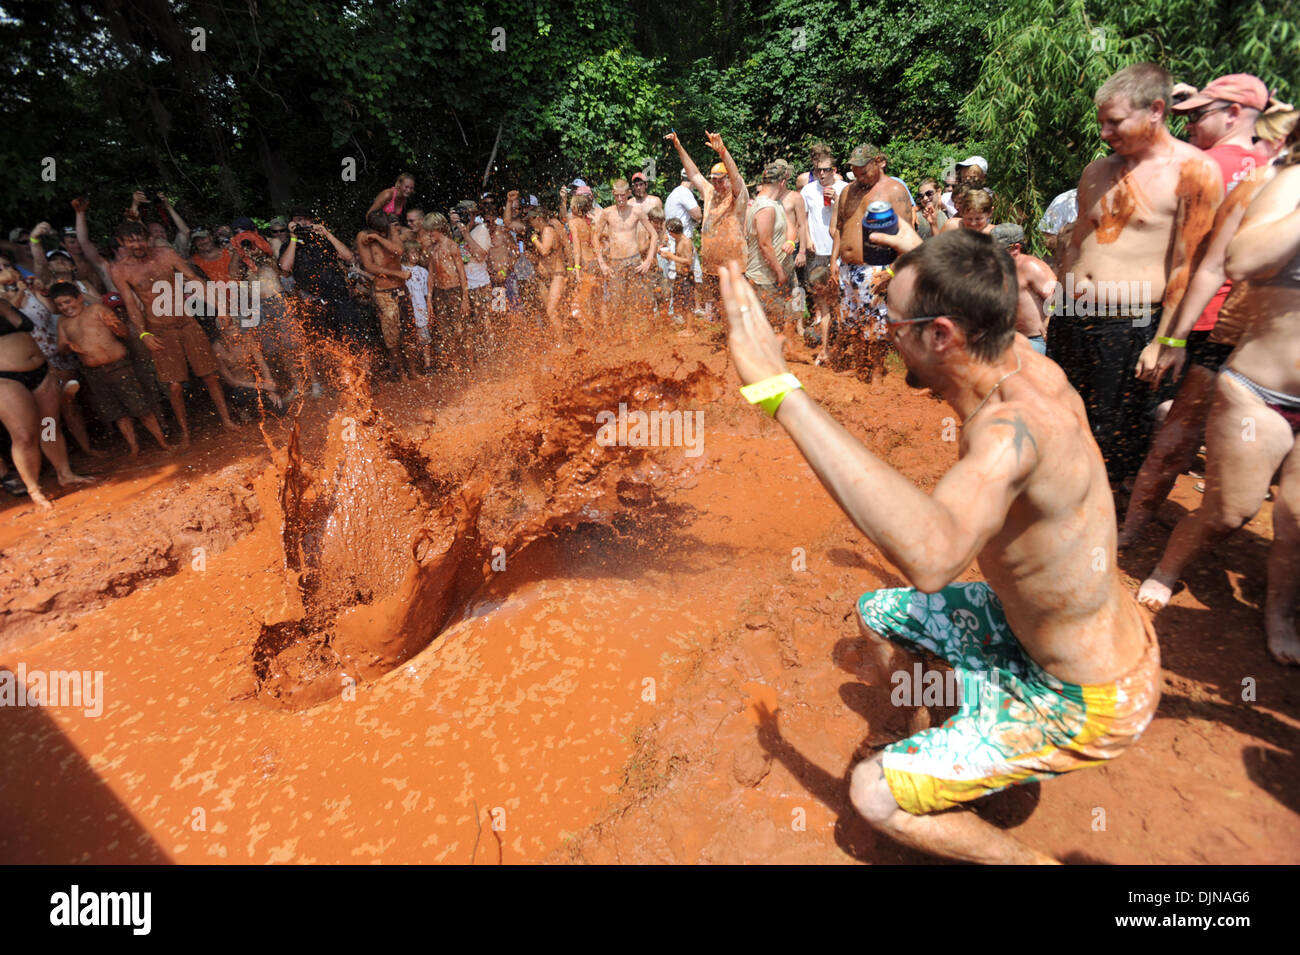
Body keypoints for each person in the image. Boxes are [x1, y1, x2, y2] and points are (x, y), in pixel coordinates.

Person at [720, 223, 1160, 864]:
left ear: (941, 334)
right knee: (878, 616)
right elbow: (980, 269)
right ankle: (915, 735)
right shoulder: (1024, 364)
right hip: (1038, 628)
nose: (882, 333)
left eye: (892, 323)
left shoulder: (1012, 432)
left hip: (1083, 695)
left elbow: (931, 558)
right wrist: (913, 250)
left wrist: (779, 392)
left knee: (874, 796)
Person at [1136, 142, 1300, 666]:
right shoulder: (1287, 185)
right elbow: (1242, 259)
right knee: (1231, 510)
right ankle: (1165, 568)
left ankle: (1279, 613)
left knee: (1298, 521)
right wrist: (1175, 340)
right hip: (1261, 390)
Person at [1120, 109, 1299, 546]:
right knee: (1175, 443)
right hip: (1225, 336)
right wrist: (1173, 339)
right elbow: (1214, 267)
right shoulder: (1257, 184)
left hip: (1264, 353)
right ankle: (1131, 531)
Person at [1050, 63, 1222, 492]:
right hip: (1072, 317)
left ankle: (1100, 530)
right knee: (1057, 420)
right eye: (1101, 123)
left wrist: (1167, 341)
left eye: (1115, 121)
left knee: (1111, 441)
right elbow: (1076, 246)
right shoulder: (1097, 171)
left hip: (1127, 326)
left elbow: (1189, 265)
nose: (1105, 132)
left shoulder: (1193, 172)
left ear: (1155, 110)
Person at [109, 220, 237, 445]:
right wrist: (143, 334)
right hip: (159, 329)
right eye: (131, 241)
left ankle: (226, 420)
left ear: (147, 238)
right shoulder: (120, 270)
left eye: (140, 238)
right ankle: (185, 432)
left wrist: (220, 308)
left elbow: (194, 280)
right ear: (122, 243)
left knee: (209, 374)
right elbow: (130, 304)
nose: (137, 244)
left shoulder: (166, 255)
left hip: (186, 321)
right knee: (175, 385)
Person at [52, 282, 169, 457]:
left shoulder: (97, 310)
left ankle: (162, 441)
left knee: (140, 407)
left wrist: (114, 325)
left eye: (68, 302)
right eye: (60, 305)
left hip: (119, 367)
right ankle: (134, 447)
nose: (65, 307)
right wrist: (68, 346)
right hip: (94, 374)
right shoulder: (63, 322)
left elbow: (124, 333)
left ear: (80, 297)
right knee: (117, 413)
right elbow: (61, 349)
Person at [0, 295, 92, 508]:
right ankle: (34, 489)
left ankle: (65, 474)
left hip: (40, 371)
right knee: (24, 436)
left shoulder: (5, 302)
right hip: (6, 378)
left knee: (49, 425)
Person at [829, 143, 911, 381]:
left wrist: (892, 272)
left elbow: (906, 236)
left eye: (863, 170)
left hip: (877, 266)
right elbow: (841, 228)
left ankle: (876, 371)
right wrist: (833, 261)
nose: (859, 175)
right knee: (851, 320)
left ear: (878, 162)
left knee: (876, 323)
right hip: (847, 267)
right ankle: (859, 366)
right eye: (855, 171)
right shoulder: (848, 191)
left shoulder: (894, 190)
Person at [666, 130, 748, 322]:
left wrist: (723, 152)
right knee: (720, 310)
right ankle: (726, 343)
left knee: (736, 309)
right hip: (712, 267)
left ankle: (740, 346)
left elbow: (735, 177)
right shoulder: (710, 193)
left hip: (734, 266)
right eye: (714, 180)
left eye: (721, 180)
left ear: (728, 179)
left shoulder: (737, 195)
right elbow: (693, 173)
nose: (717, 184)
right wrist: (678, 146)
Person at [278, 206, 368, 349]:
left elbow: (348, 257)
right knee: (329, 347)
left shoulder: (323, 240)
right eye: (299, 220)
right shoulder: (289, 245)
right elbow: (285, 267)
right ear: (292, 223)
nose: (304, 223)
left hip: (340, 298)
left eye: (307, 219)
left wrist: (327, 234)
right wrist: (294, 237)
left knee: (355, 341)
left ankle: (363, 369)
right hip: (314, 303)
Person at [800, 143, 848, 364]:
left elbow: (851, 222)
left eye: (826, 169)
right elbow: (803, 220)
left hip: (839, 253)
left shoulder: (845, 189)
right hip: (817, 252)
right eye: (817, 169)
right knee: (822, 303)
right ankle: (825, 348)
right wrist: (807, 240)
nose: (821, 174)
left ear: (834, 170)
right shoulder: (808, 190)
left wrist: (837, 201)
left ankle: (841, 346)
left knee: (841, 302)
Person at [357, 210, 414, 381]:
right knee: (392, 336)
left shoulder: (391, 232)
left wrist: (380, 238)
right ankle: (402, 373)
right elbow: (369, 266)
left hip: (401, 290)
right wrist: (397, 274)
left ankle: (412, 370)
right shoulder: (363, 238)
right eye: (378, 231)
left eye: (384, 230)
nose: (382, 233)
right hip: (383, 292)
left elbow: (399, 251)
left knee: (409, 331)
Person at [593, 178, 658, 326]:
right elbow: (595, 237)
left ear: (628, 193)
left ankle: (634, 338)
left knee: (636, 302)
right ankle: (618, 337)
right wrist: (602, 263)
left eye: (623, 195)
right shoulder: (607, 213)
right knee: (616, 303)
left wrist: (648, 260)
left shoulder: (636, 211)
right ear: (613, 194)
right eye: (617, 195)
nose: (620, 199)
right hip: (615, 262)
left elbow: (654, 234)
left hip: (634, 261)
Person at [744, 162, 793, 338]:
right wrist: (779, 272)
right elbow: (765, 245)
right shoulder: (766, 207)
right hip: (764, 277)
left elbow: (789, 226)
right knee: (767, 327)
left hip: (767, 275)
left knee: (774, 323)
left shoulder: (773, 204)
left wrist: (791, 242)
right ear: (782, 182)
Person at [991, 224, 1055, 354]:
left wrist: (1048, 322)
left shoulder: (1030, 266)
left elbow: (1058, 298)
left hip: (1036, 340)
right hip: (1008, 338)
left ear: (1016, 248)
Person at [422, 212, 471, 370]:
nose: (430, 234)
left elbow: (462, 273)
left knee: (459, 329)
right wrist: (429, 299)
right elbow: (431, 274)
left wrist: (465, 298)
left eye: (432, 231)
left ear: (440, 229)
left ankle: (467, 362)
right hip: (440, 293)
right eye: (428, 231)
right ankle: (453, 362)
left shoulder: (451, 246)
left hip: (454, 290)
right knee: (443, 330)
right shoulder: (432, 249)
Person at [567, 192, 603, 330]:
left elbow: (576, 247)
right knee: (596, 302)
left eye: (571, 206)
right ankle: (602, 329)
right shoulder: (590, 223)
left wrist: (576, 268)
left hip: (585, 264)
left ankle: (591, 335)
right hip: (594, 263)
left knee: (582, 304)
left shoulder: (573, 223)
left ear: (576, 208)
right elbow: (595, 244)